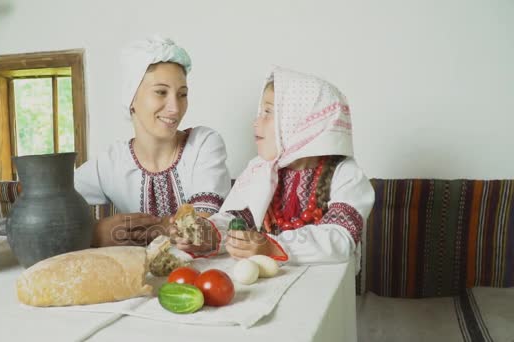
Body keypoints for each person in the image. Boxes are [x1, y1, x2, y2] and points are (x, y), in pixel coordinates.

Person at [172, 66, 374, 271]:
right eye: (260, 112)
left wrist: (272, 246)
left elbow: (340, 238)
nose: (256, 122)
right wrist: (210, 234)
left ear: (300, 121)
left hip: (326, 288)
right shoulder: (260, 170)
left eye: (268, 112)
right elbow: (239, 220)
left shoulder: (346, 174)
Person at [75, 35, 231, 247]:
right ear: (131, 99)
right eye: (160, 92)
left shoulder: (203, 144)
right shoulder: (110, 164)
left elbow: (200, 227)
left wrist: (148, 231)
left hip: (203, 276)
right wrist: (95, 232)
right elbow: (52, 207)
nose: (175, 108)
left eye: (182, 94)